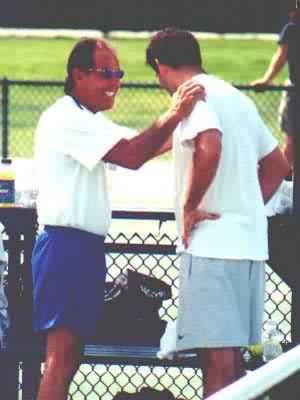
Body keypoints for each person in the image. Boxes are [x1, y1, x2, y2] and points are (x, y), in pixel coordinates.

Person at [31, 37, 203, 400]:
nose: (115, 83)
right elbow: (133, 154)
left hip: (83, 248)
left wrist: (193, 123)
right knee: (60, 357)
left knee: (72, 356)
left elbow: (148, 145)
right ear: (78, 75)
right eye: (105, 73)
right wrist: (175, 112)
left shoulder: (90, 121)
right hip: (64, 247)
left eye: (119, 73)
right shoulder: (66, 118)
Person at [146, 28, 290, 398]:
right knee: (236, 368)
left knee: (216, 365)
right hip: (248, 247)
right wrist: (243, 209)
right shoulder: (237, 98)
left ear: (160, 67)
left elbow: (209, 146)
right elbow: (275, 165)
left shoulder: (194, 97)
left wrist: (190, 205)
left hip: (213, 248)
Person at [251, 6, 300, 169]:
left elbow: (281, 56)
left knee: (292, 138)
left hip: (295, 90)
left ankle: (285, 179)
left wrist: (266, 80)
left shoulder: (292, 29)